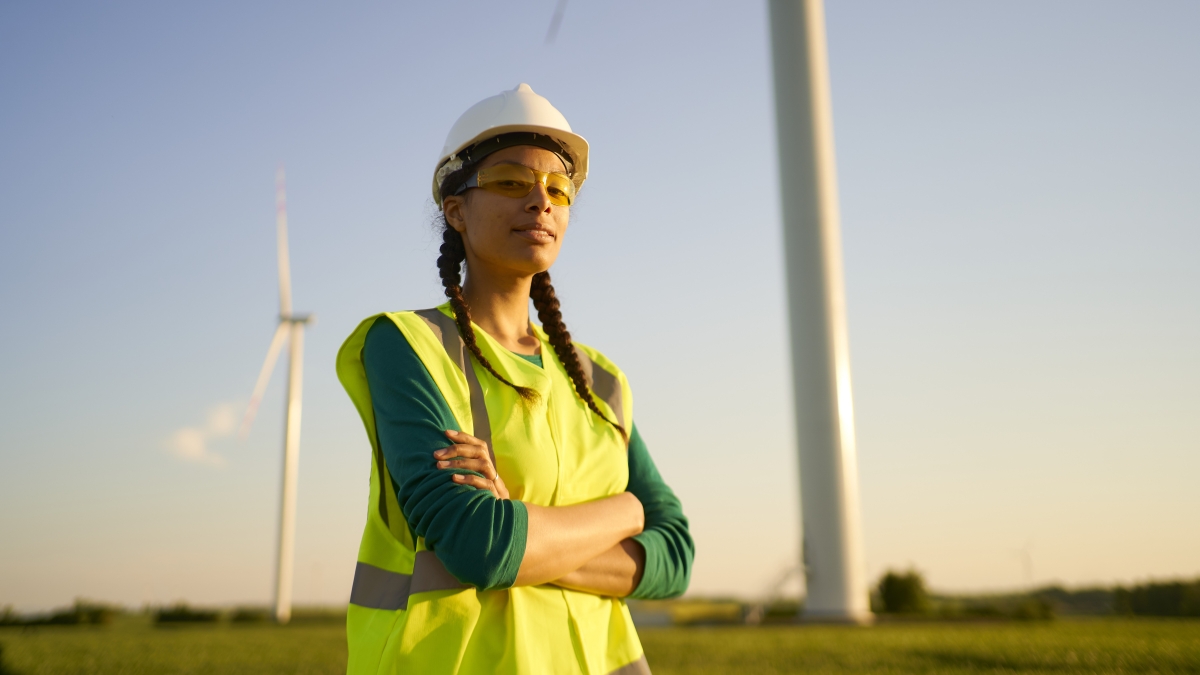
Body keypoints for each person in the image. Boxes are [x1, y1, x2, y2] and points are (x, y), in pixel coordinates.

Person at [336, 84, 694, 674]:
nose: (540, 201)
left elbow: (675, 554)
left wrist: (525, 534)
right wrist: (627, 512)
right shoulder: (406, 345)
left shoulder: (599, 379)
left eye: (558, 188)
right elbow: (477, 543)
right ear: (455, 209)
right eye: (509, 181)